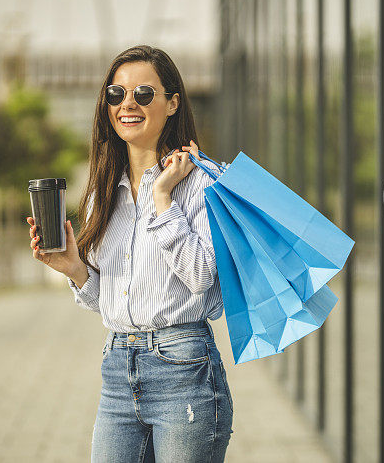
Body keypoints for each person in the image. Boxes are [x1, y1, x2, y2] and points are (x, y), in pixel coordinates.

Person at [26, 45, 233, 462]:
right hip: (118, 368)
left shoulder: (206, 184)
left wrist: (161, 197)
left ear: (172, 103)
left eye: (143, 93)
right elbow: (110, 299)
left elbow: (202, 277)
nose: (127, 104)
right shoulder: (103, 191)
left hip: (184, 371)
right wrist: (74, 270)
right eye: (116, 94)